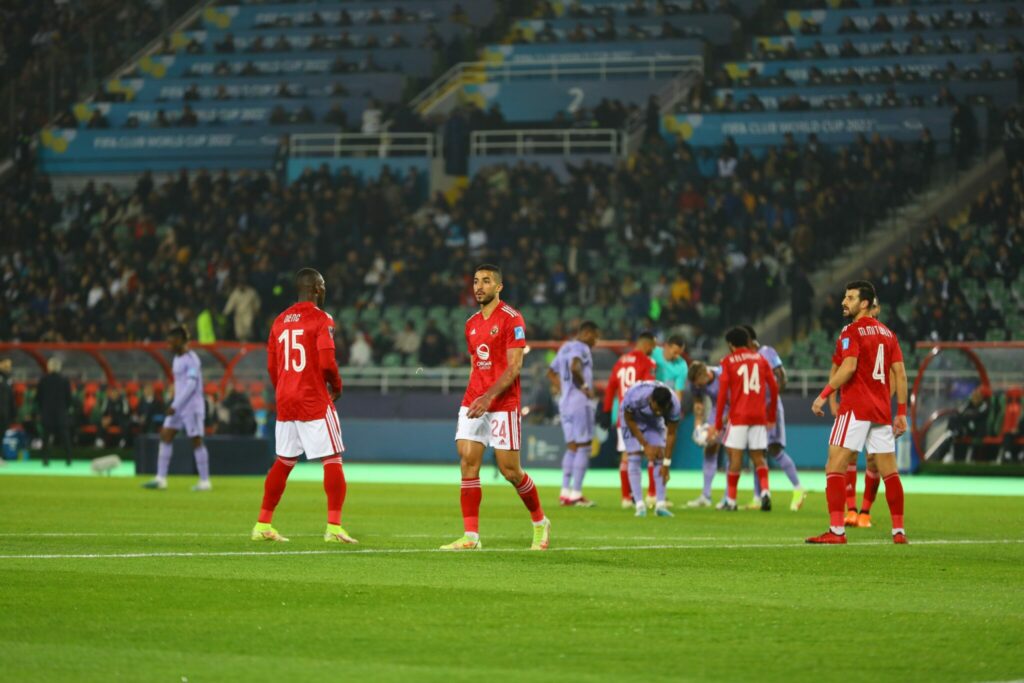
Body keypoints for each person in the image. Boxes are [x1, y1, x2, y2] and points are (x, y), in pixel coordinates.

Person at [441, 264, 550, 551]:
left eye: (486, 281)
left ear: (499, 286)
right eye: (476, 281)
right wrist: (473, 397)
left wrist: (488, 397)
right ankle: (471, 537)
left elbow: (514, 367)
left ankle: (540, 522)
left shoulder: (512, 319)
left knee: (510, 471)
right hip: (474, 401)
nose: (479, 286)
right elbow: (476, 365)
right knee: (467, 462)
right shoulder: (471, 324)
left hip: (502, 403)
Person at [253, 268, 354, 544]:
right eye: (324, 285)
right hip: (312, 397)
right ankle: (334, 527)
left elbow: (272, 367)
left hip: (286, 399)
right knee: (332, 458)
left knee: (284, 461)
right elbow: (326, 362)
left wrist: (284, 389)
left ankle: (263, 523)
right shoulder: (322, 319)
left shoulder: (279, 321)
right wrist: (337, 384)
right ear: (318, 288)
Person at [808, 281, 908, 544]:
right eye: (845, 296)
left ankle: (837, 531)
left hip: (855, 408)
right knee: (890, 471)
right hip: (881, 410)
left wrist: (823, 395)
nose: (844, 301)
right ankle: (899, 532)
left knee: (834, 465)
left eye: (850, 298)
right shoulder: (888, 334)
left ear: (864, 303)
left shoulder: (851, 331)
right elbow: (900, 374)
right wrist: (901, 412)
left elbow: (848, 367)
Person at [708, 327, 779, 512]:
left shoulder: (728, 361)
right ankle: (765, 492)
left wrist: (717, 423)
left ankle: (731, 500)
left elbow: (722, 394)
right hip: (759, 416)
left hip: (739, 416)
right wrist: (771, 415)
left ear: (731, 344)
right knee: (758, 457)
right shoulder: (760, 359)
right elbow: (774, 386)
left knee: (735, 457)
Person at [742, 325, 807, 511]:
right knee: (757, 453)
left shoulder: (766, 351)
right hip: (757, 410)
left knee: (774, 449)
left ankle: (798, 488)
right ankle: (757, 497)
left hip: (771, 409)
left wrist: (772, 398)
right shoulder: (750, 359)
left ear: (749, 340)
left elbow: (781, 375)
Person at [143, 326, 211, 491]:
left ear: (180, 341)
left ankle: (204, 481)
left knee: (196, 440)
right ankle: (161, 479)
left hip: (192, 407)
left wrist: (175, 405)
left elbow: (191, 384)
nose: (168, 345)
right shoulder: (177, 359)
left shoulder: (191, 359)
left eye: (171, 342)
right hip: (179, 406)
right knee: (165, 434)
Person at [600, 332, 657, 508]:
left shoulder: (621, 361)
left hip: (623, 416)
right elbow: (650, 388)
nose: (652, 352)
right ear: (647, 345)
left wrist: (606, 410)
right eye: (652, 349)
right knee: (651, 453)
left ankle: (626, 497)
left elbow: (610, 388)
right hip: (641, 415)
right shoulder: (647, 362)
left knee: (627, 455)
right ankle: (652, 495)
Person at [547, 320, 600, 507]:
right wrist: (585, 387)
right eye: (595, 336)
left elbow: (551, 372)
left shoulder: (564, 347)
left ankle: (565, 492)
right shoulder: (582, 347)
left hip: (565, 402)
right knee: (584, 447)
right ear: (587, 333)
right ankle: (576, 494)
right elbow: (575, 367)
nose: (596, 341)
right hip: (579, 402)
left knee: (572, 448)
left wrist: (563, 388)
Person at [621, 381, 681, 517]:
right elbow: (629, 419)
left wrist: (667, 463)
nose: (659, 412)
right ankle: (639, 505)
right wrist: (645, 444)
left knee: (660, 456)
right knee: (634, 456)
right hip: (632, 419)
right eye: (656, 408)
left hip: (653, 422)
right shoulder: (635, 396)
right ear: (651, 400)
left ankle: (660, 505)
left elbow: (671, 433)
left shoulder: (674, 405)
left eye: (662, 410)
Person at [647, 334, 688, 507]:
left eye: (680, 353)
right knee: (652, 451)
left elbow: (678, 392)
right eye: (675, 352)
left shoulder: (681, 366)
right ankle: (653, 492)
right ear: (666, 346)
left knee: (661, 451)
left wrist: (675, 413)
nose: (676, 356)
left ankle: (656, 492)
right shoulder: (653, 353)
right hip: (647, 408)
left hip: (666, 410)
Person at [685, 361, 725, 508]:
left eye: (698, 383)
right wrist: (698, 426)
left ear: (705, 375)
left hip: (734, 409)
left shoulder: (723, 377)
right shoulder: (696, 383)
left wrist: (717, 427)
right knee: (710, 449)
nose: (697, 386)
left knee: (733, 452)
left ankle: (729, 496)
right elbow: (698, 404)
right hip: (716, 411)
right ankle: (706, 496)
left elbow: (734, 403)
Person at [36, 357, 73, 466]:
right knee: (65, 437)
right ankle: (69, 459)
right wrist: (65, 409)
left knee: (46, 437)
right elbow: (69, 398)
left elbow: (38, 398)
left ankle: (45, 460)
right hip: (61, 413)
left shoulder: (43, 380)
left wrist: (42, 409)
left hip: (47, 413)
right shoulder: (65, 380)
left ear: (49, 367)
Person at [0, 357, 14, 436]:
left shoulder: (7, 379)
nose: (8, 368)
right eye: (6, 365)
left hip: (4, 414)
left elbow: (10, 398)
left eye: (9, 366)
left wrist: (13, 412)